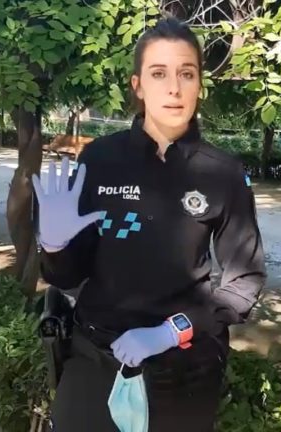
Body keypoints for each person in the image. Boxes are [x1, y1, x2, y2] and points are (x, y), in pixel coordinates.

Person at [32, 16, 267, 432]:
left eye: (186, 73)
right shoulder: (99, 161)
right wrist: (54, 247)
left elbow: (244, 281)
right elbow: (67, 275)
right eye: (159, 73)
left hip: (184, 367)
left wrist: (172, 331)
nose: (174, 88)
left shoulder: (223, 173)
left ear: (199, 85)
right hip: (94, 355)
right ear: (138, 85)